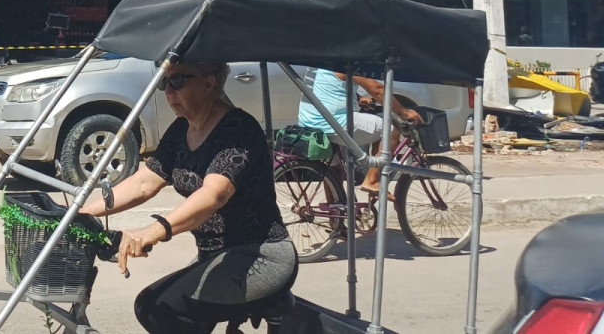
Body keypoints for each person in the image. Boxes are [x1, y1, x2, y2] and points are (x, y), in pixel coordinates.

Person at [77, 60, 295, 334]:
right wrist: (84, 213)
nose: (168, 91)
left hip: (260, 255)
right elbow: (145, 182)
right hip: (214, 255)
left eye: (178, 81)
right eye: (163, 83)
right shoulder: (182, 130)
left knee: (157, 308)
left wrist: (155, 230)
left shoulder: (238, 129)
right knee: (164, 310)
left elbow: (214, 194)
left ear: (208, 83)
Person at [296, 68, 422, 195]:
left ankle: (336, 210)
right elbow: (377, 90)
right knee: (390, 127)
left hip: (309, 120)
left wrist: (359, 98)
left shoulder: (323, 58)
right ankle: (372, 180)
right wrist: (404, 112)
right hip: (333, 122)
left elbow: (329, 84)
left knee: (333, 171)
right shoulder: (347, 61)